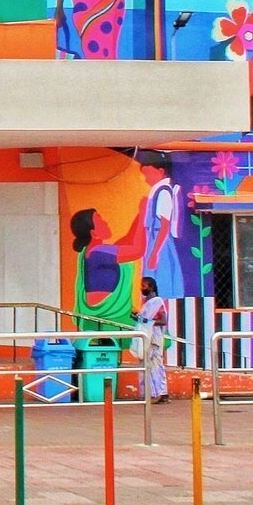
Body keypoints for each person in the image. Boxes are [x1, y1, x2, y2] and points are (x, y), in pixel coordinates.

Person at [70, 207, 145, 329]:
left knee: (149, 328)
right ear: (93, 233)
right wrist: (143, 216)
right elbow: (137, 250)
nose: (105, 222)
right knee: (163, 338)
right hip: (107, 316)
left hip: (109, 314)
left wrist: (141, 213)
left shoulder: (96, 250)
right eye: (100, 221)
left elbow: (128, 239)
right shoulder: (98, 252)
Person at [136, 151, 185, 304]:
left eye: (148, 174)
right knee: (151, 281)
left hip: (159, 242)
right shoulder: (156, 191)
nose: (146, 179)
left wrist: (155, 253)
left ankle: (161, 313)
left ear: (160, 171)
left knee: (161, 279)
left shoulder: (163, 192)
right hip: (153, 239)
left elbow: (164, 226)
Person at [136, 278, 171, 403]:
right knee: (143, 364)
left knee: (156, 364)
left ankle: (160, 394)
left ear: (151, 287)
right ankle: (147, 394)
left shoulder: (157, 302)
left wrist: (148, 322)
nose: (142, 288)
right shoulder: (146, 302)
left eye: (144, 286)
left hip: (154, 338)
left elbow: (163, 321)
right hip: (145, 336)